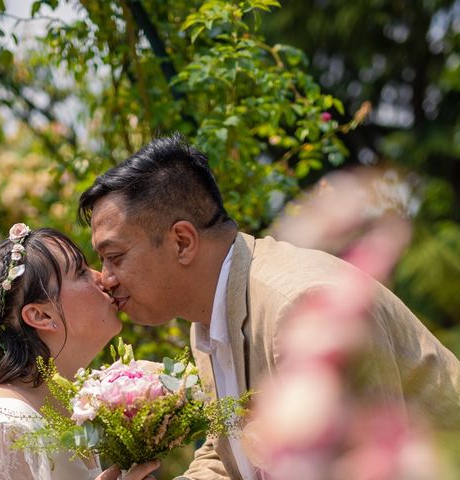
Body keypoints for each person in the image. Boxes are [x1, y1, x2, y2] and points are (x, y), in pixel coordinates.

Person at [77, 133, 460, 480]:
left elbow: (366, 462)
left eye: (115, 256)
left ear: (182, 242)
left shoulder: (300, 307)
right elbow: (229, 453)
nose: (105, 278)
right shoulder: (209, 314)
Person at [0, 225, 160, 480]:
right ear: (41, 315)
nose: (104, 279)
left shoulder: (64, 408)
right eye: (81, 272)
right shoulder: (4, 428)